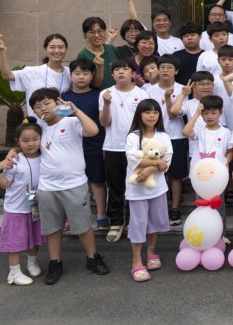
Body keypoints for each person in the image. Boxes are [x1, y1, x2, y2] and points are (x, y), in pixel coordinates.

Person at [22, 88, 109, 284]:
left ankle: (93, 257)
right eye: (38, 106)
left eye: (47, 103)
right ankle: (55, 262)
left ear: (57, 103)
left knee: (83, 225)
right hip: (47, 187)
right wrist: (13, 152)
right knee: (52, 228)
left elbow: (93, 130)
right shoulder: (37, 130)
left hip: (74, 184)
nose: (43, 108)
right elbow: (24, 144)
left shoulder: (71, 122)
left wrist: (75, 111)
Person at [99, 59, 149, 243]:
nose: (121, 72)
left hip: (136, 148)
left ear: (133, 73)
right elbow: (104, 122)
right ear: (112, 74)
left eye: (125, 69)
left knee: (135, 185)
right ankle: (116, 221)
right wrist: (106, 104)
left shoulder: (141, 94)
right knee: (115, 185)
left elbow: (146, 122)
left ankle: (134, 221)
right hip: (112, 146)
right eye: (117, 69)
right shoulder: (105, 93)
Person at [0, 119, 46, 285]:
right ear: (18, 141)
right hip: (16, 208)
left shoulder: (45, 157)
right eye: (25, 140)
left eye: (35, 139)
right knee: (16, 240)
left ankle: (32, 262)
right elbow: (5, 184)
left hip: (35, 204)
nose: (30, 144)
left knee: (35, 236)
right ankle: (14, 273)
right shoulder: (14, 161)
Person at [124, 99, 172, 282]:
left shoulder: (163, 136)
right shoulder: (133, 136)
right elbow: (133, 159)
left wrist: (150, 169)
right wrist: (155, 163)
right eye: (147, 112)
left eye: (155, 112)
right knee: (138, 224)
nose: (152, 116)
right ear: (140, 114)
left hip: (157, 188)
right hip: (137, 189)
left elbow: (166, 162)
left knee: (155, 221)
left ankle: (151, 252)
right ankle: (136, 260)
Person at [61, 58, 108, 230]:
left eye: (85, 73)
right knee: (70, 182)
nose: (81, 77)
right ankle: (69, 216)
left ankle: (101, 214)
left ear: (92, 75)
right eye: (77, 73)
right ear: (70, 75)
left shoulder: (99, 95)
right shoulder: (63, 97)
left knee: (97, 180)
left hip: (94, 144)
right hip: (69, 147)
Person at [146, 54, 187, 226]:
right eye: (162, 67)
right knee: (155, 172)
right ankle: (158, 208)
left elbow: (173, 114)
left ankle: (175, 208)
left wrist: (169, 97)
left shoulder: (183, 90)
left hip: (176, 136)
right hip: (154, 137)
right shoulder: (149, 90)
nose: (165, 70)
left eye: (169, 67)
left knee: (176, 175)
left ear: (176, 71)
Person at [0, 32, 71, 117]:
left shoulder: (71, 73)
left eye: (61, 47)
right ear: (45, 49)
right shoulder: (32, 72)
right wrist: (2, 51)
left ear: (66, 49)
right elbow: (7, 75)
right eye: (52, 47)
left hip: (62, 123)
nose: (57, 51)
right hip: (36, 124)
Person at [76, 17, 120, 90]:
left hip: (116, 93)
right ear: (85, 34)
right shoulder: (83, 55)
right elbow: (95, 84)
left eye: (100, 31)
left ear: (104, 32)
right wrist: (99, 67)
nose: (96, 35)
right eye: (92, 32)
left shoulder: (112, 49)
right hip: (97, 95)